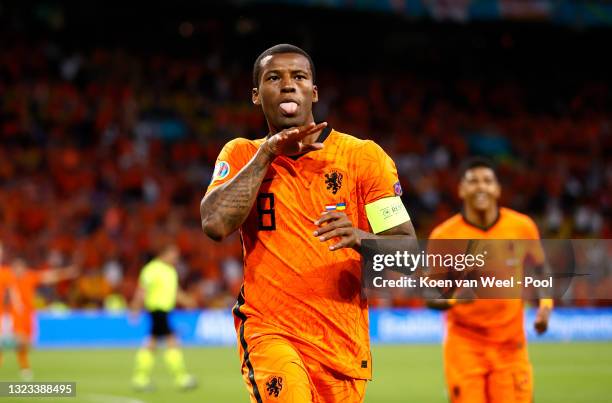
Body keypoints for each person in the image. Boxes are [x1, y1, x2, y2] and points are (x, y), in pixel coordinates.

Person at [200, 43, 416, 403]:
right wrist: (267, 152)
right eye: (274, 78)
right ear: (256, 95)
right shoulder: (241, 154)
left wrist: (361, 237)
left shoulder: (363, 158)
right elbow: (215, 224)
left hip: (341, 348)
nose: (288, 85)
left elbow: (408, 256)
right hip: (270, 333)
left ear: (313, 92)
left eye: (298, 76)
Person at [427, 157, 553, 403]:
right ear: (461, 190)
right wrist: (453, 299)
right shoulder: (444, 236)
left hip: (510, 346)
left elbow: (542, 268)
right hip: (465, 347)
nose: (481, 187)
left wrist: (545, 305)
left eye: (487, 181)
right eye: (473, 181)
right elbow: (430, 295)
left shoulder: (521, 226)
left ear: (497, 189)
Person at [130, 243, 197, 391]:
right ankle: (181, 378)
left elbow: (175, 292)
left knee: (151, 343)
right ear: (164, 253)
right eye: (174, 254)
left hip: (164, 312)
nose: (176, 258)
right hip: (157, 311)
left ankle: (140, 378)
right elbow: (142, 291)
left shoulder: (170, 271)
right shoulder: (151, 269)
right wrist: (135, 308)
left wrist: (187, 301)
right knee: (172, 342)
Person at [8, 256, 79, 380]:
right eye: (15, 268)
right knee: (20, 340)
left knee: (28, 344)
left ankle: (18, 358)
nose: (17, 271)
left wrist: (67, 272)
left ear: (24, 268)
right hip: (16, 315)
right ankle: (24, 367)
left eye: (20, 268)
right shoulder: (8, 279)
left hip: (29, 316)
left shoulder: (29, 277)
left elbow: (48, 276)